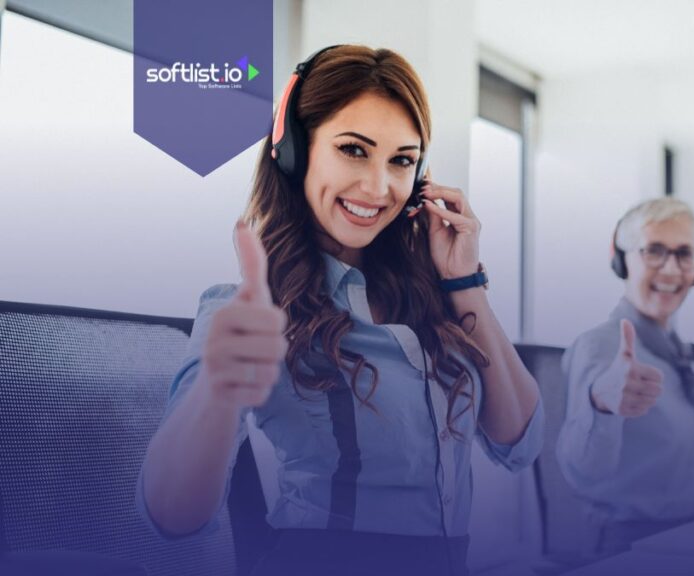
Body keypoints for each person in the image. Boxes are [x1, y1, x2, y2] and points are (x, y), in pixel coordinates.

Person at [137, 45, 543, 576]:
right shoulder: (250, 309)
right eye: (354, 150)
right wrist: (218, 385)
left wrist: (464, 282)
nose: (379, 188)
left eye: (401, 159)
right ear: (294, 151)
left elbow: (519, 442)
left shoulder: (430, 296)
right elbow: (170, 516)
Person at [556, 198, 694, 556]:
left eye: (685, 254)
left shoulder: (685, 355)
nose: (671, 269)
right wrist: (600, 404)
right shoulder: (601, 347)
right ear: (622, 259)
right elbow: (584, 473)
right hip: (629, 547)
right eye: (654, 251)